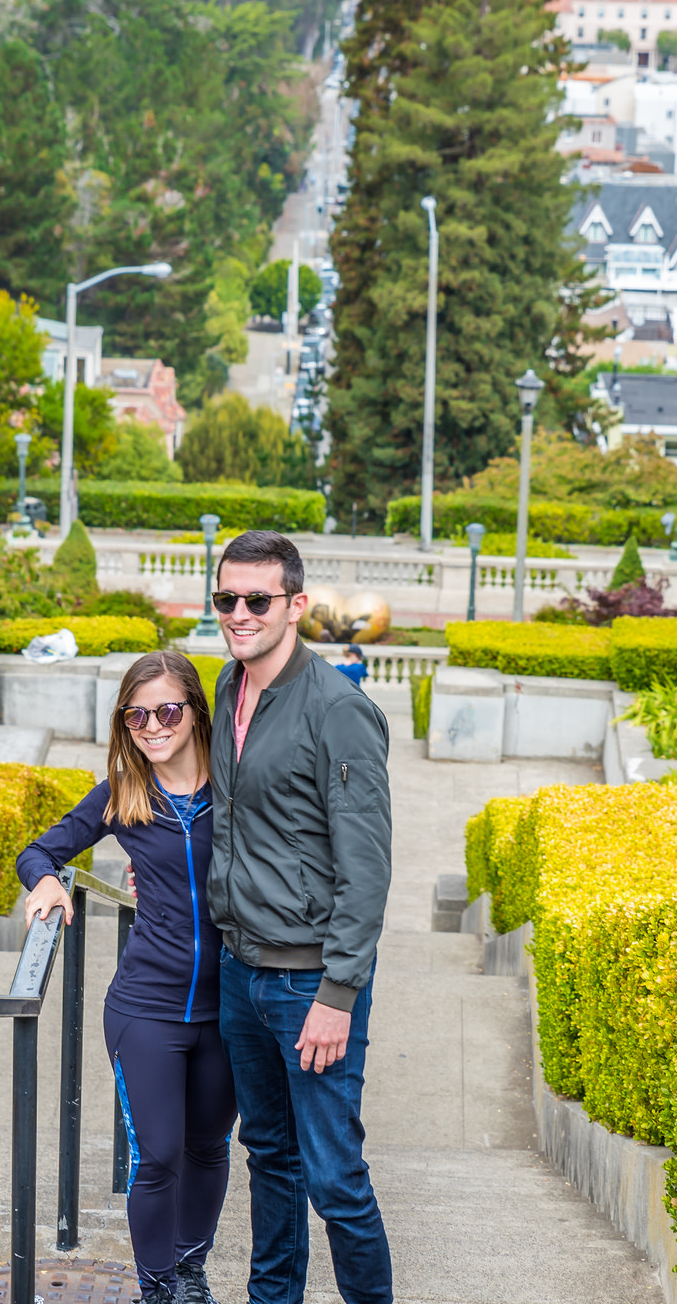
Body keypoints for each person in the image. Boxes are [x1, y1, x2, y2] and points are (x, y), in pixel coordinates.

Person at [205, 529, 394, 1304]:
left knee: (334, 1173)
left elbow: (368, 867)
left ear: (297, 605)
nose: (240, 613)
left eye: (258, 599)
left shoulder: (340, 711)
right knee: (268, 1156)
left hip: (310, 982)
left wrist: (338, 994)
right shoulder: (226, 687)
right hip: (240, 970)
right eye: (227, 599)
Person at [20, 652, 234, 1304]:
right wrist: (49, 882)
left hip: (232, 1006)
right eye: (135, 714)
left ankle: (191, 1271)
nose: (152, 724)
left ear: (197, 710)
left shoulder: (237, 783)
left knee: (209, 1145)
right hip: (147, 1004)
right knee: (160, 1151)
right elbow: (40, 849)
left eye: (167, 709)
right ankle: (158, 1286)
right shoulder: (123, 788)